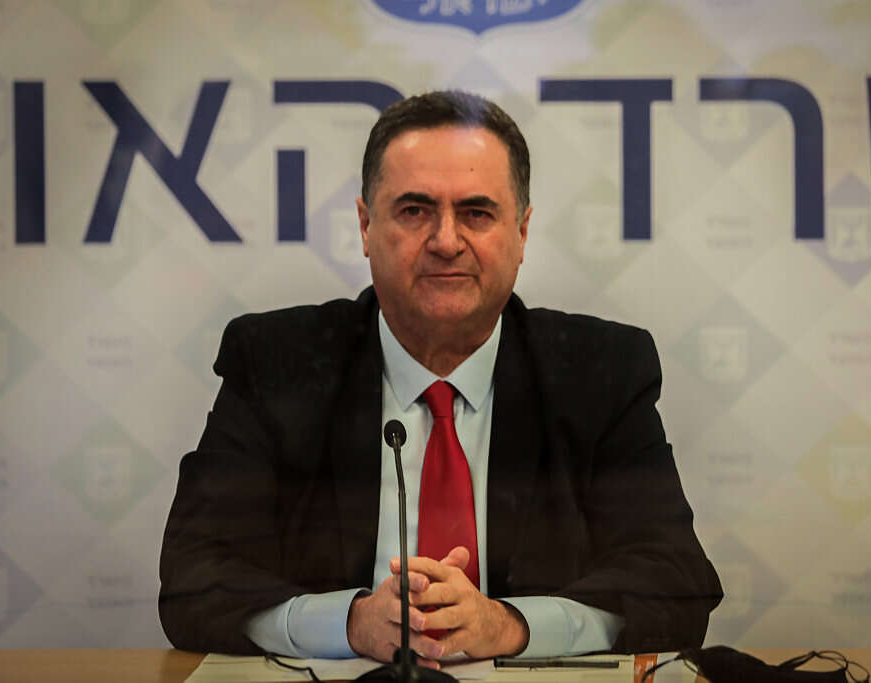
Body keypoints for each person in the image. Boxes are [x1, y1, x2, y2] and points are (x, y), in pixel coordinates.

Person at [158, 90, 721, 667]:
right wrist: (349, 624)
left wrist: (510, 626)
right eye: (414, 211)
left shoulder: (600, 372)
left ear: (522, 233)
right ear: (365, 226)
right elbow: (192, 578)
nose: (446, 241)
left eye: (477, 213)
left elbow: (675, 582)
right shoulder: (278, 364)